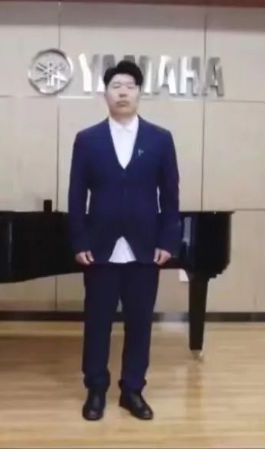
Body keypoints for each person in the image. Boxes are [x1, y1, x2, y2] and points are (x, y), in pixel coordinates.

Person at [68, 60, 181, 421]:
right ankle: (96, 389)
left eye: (129, 86)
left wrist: (169, 241)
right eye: (116, 86)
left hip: (145, 248)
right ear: (105, 93)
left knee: (140, 323)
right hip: (99, 248)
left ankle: (132, 390)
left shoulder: (160, 139)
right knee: (97, 323)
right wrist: (79, 240)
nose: (122, 92)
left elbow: (171, 196)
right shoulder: (87, 140)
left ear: (138, 93)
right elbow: (76, 195)